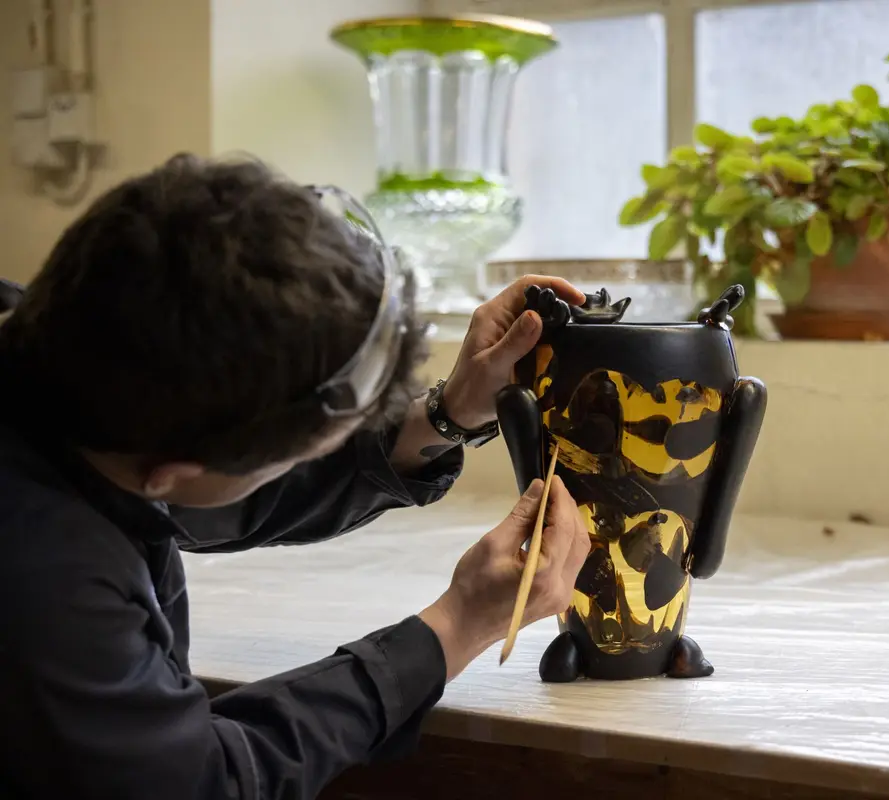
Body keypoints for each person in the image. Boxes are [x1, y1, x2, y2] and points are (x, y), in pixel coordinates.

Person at [0, 154, 590, 799]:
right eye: (291, 457)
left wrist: (444, 416)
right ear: (168, 475)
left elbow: (186, 487)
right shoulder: (46, 578)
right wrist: (456, 627)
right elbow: (204, 784)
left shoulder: (75, 351)